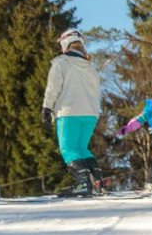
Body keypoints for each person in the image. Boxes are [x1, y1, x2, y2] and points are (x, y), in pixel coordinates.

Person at [42, 28, 108, 196]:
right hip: (90, 114)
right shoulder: (90, 67)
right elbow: (96, 92)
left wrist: (47, 108)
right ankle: (98, 184)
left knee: (69, 149)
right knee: (82, 149)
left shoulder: (61, 62)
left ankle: (83, 184)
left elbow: (53, 88)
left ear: (65, 43)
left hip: (69, 113)